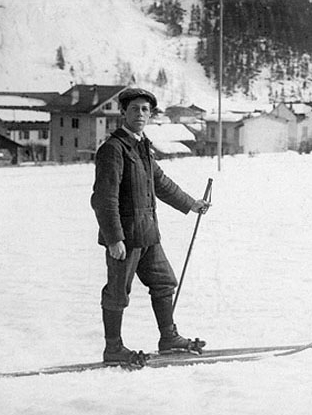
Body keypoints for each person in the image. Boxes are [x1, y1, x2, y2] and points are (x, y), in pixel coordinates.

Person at [91, 88, 210, 364]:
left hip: (148, 234)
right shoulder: (113, 149)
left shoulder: (143, 146)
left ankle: (168, 336)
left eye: (146, 109)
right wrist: (113, 238)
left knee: (164, 281)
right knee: (118, 292)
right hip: (125, 238)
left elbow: (161, 182)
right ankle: (113, 349)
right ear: (123, 112)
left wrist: (192, 204)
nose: (141, 114)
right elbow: (103, 198)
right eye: (135, 109)